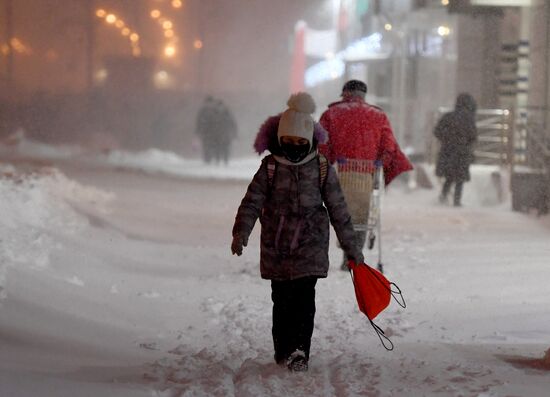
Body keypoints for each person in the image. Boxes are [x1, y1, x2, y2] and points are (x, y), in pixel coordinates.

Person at [231, 92, 363, 372]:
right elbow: (252, 201)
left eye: (299, 142)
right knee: (281, 300)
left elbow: (339, 209)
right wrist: (241, 231)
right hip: (276, 247)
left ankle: (300, 350)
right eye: (287, 141)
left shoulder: (322, 168)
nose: (293, 147)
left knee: (304, 300)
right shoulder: (269, 167)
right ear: (279, 139)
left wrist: (352, 246)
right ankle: (283, 348)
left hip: (310, 246)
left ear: (310, 141)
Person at [318, 80, 413, 270]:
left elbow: (322, 145)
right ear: (364, 95)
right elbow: (389, 146)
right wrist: (381, 163)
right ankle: (354, 254)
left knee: (341, 212)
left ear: (345, 93)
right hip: (366, 174)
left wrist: (324, 167)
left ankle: (347, 249)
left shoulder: (331, 114)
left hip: (341, 173)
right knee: (361, 216)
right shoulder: (378, 115)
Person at [434, 93, 477, 207]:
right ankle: (457, 201)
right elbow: (473, 136)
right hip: (462, 152)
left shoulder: (448, 117)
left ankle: (443, 196)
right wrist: (465, 142)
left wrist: (446, 139)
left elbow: (437, 131)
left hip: (448, 151)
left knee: (449, 176)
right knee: (460, 178)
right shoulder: (469, 119)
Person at [195, 97, 237, 164]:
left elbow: (232, 123)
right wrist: (200, 132)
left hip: (225, 135)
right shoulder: (211, 113)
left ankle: (225, 160)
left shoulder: (227, 113)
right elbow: (204, 123)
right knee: (215, 147)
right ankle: (213, 160)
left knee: (225, 148)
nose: (220, 107)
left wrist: (234, 133)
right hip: (215, 134)